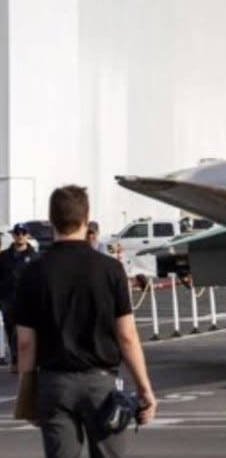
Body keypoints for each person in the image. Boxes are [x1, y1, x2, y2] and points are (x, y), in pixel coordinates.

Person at [15, 185, 157, 458]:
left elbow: (24, 343)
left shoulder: (33, 273)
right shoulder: (110, 269)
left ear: (51, 219)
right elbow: (126, 336)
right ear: (86, 218)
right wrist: (144, 388)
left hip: (54, 383)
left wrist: (28, 395)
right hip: (100, 384)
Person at [0, 223, 38, 374]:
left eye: (23, 232)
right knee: (11, 330)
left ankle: (28, 360)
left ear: (27, 235)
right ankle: (16, 359)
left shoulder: (34, 257)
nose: (20, 235)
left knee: (26, 331)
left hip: (27, 299)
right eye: (17, 233)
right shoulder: (4, 257)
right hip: (8, 299)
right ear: (14, 235)